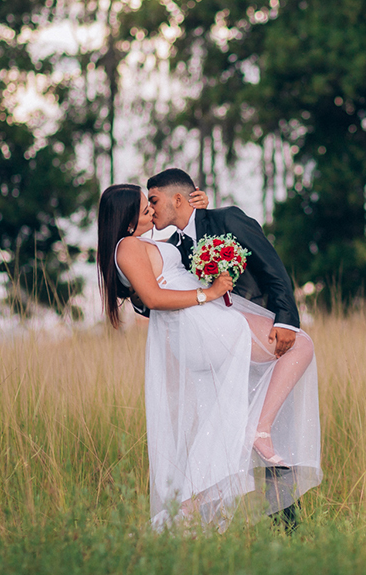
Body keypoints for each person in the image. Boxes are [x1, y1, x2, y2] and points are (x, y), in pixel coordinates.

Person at [97, 181, 321, 530]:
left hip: (204, 322)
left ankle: (185, 514)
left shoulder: (147, 242)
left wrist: (196, 211)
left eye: (153, 203)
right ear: (126, 218)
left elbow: (188, 253)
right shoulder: (127, 247)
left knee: (221, 424)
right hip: (201, 324)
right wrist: (209, 293)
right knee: (300, 347)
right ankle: (258, 430)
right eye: (145, 207)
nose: (152, 211)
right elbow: (153, 298)